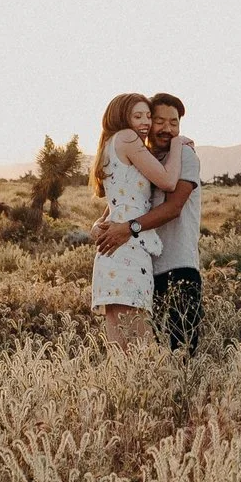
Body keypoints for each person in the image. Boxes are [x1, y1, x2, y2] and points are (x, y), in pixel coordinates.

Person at [94, 93, 201, 350]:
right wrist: (100, 222)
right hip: (145, 264)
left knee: (180, 350)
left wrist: (129, 228)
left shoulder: (184, 157)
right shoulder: (143, 158)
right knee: (135, 346)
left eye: (174, 123)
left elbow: (173, 207)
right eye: (158, 120)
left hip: (177, 264)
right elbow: (125, 200)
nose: (167, 129)